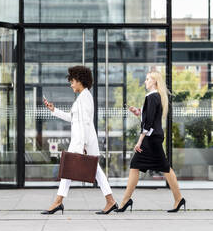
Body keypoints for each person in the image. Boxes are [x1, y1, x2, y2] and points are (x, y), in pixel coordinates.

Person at [41, 66, 118, 215]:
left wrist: (82, 145)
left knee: (69, 171)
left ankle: (58, 203)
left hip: (82, 142)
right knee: (90, 171)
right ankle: (110, 201)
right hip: (81, 142)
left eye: (72, 81)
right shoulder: (83, 97)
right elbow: (73, 119)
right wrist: (54, 110)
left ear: (79, 81)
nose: (71, 85)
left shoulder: (84, 98)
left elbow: (84, 123)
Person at [116, 71, 186, 213]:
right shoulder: (155, 97)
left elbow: (148, 122)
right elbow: (149, 117)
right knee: (162, 167)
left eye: (147, 79)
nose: (145, 82)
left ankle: (125, 201)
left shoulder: (152, 96)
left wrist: (139, 140)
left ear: (154, 81)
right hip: (154, 138)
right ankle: (179, 199)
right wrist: (138, 112)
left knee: (142, 165)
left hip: (151, 139)